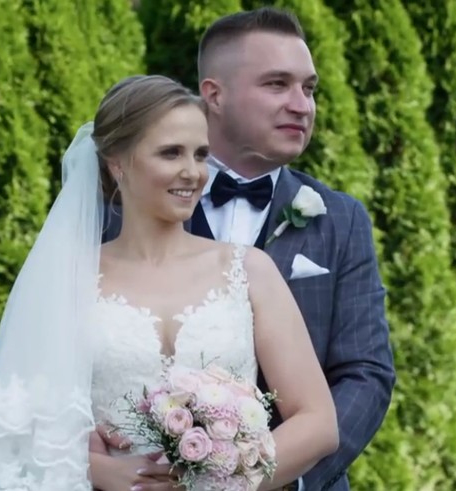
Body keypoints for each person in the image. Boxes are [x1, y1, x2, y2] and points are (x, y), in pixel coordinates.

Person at [0, 74, 339, 491]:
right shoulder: (68, 281)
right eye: (171, 153)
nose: (193, 172)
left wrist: (219, 481)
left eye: (201, 154)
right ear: (116, 162)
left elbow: (318, 422)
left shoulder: (250, 270)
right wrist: (103, 472)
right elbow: (14, 431)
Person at [98, 7, 396, 491]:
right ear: (214, 95)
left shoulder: (340, 220)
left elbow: (365, 373)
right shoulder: (115, 210)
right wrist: (99, 463)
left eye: (309, 88)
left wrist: (275, 477)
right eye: (277, 84)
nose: (302, 105)